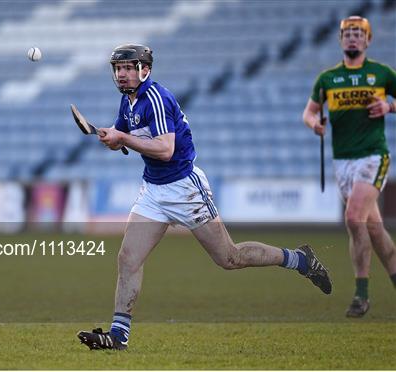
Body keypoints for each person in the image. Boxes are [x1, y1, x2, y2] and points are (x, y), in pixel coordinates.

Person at [78, 44, 332, 351]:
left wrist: (124, 139)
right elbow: (125, 136)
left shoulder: (155, 98)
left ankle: (299, 259)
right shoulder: (127, 102)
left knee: (230, 258)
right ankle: (118, 336)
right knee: (128, 258)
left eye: (129, 67)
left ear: (145, 70)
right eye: (118, 68)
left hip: (185, 189)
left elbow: (166, 149)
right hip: (154, 191)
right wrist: (112, 137)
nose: (122, 74)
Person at [302, 16, 396, 318]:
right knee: (374, 228)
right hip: (342, 161)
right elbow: (309, 113)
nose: (353, 38)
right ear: (341, 40)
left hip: (373, 155)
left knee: (354, 218)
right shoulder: (328, 79)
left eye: (359, 34)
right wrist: (315, 124)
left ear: (367, 40)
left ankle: (361, 295)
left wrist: (389, 106)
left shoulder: (381, 74)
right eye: (348, 34)